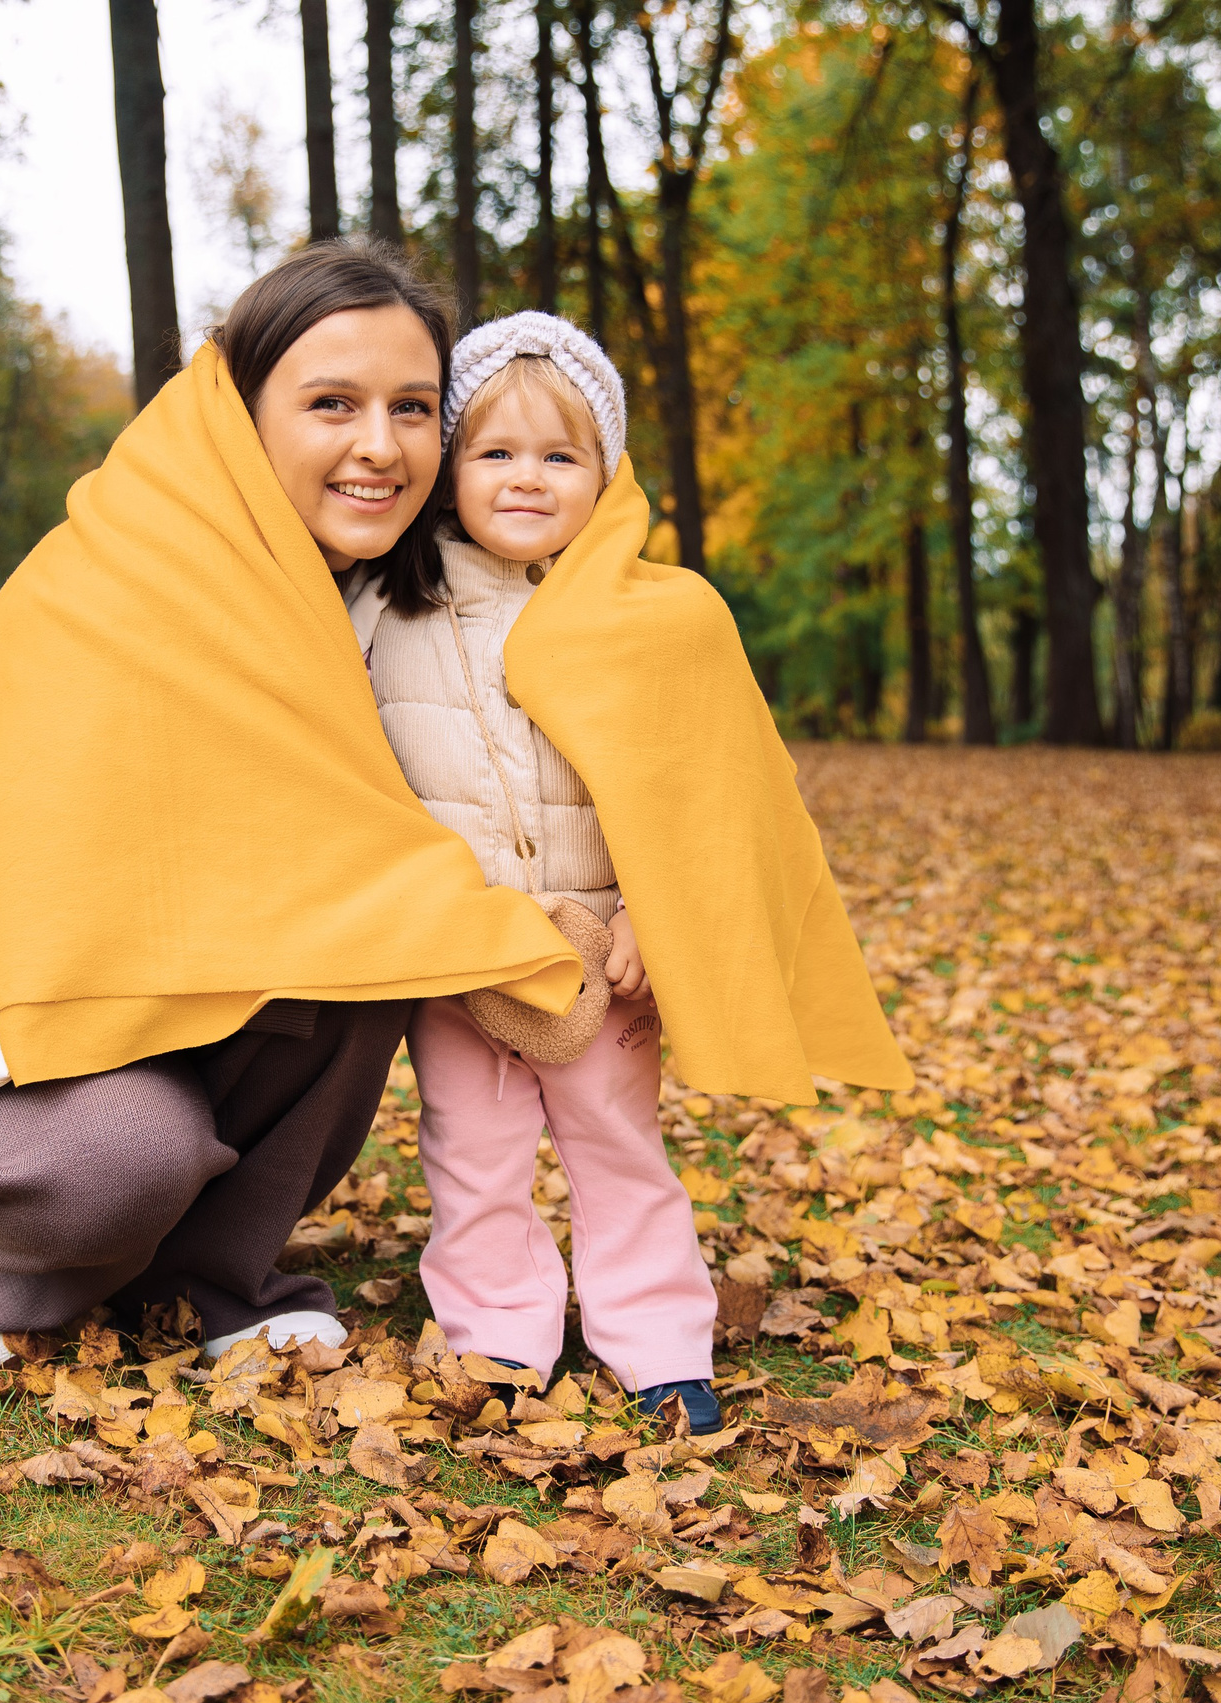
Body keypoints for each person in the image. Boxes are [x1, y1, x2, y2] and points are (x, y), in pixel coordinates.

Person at [0, 247, 583, 1369]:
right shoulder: (134, 572)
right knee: (124, 1155)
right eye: (330, 404)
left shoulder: (403, 602)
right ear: (240, 417)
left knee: (373, 940)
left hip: (202, 974)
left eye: (412, 408)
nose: (379, 444)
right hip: (11, 992)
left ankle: (216, 1275)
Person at [364, 313, 913, 1432]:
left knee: (617, 1146)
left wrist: (657, 921)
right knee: (471, 1149)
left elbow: (702, 795)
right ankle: (497, 1336)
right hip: (459, 946)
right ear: (448, 468)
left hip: (599, 943)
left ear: (605, 474)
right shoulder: (388, 607)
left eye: (560, 456)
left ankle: (657, 1339)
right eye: (495, 453)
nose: (527, 479)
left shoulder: (657, 616)